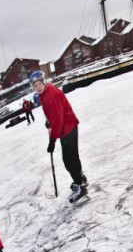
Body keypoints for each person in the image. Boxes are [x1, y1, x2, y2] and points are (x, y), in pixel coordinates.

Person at [29, 71, 89, 203]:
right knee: (71, 157)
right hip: (67, 127)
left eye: (39, 84)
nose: (38, 87)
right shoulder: (46, 91)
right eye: (35, 86)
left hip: (67, 128)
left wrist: (52, 141)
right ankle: (80, 178)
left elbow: (58, 120)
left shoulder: (50, 95)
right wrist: (49, 120)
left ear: (43, 82)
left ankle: (80, 186)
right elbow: (55, 114)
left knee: (69, 159)